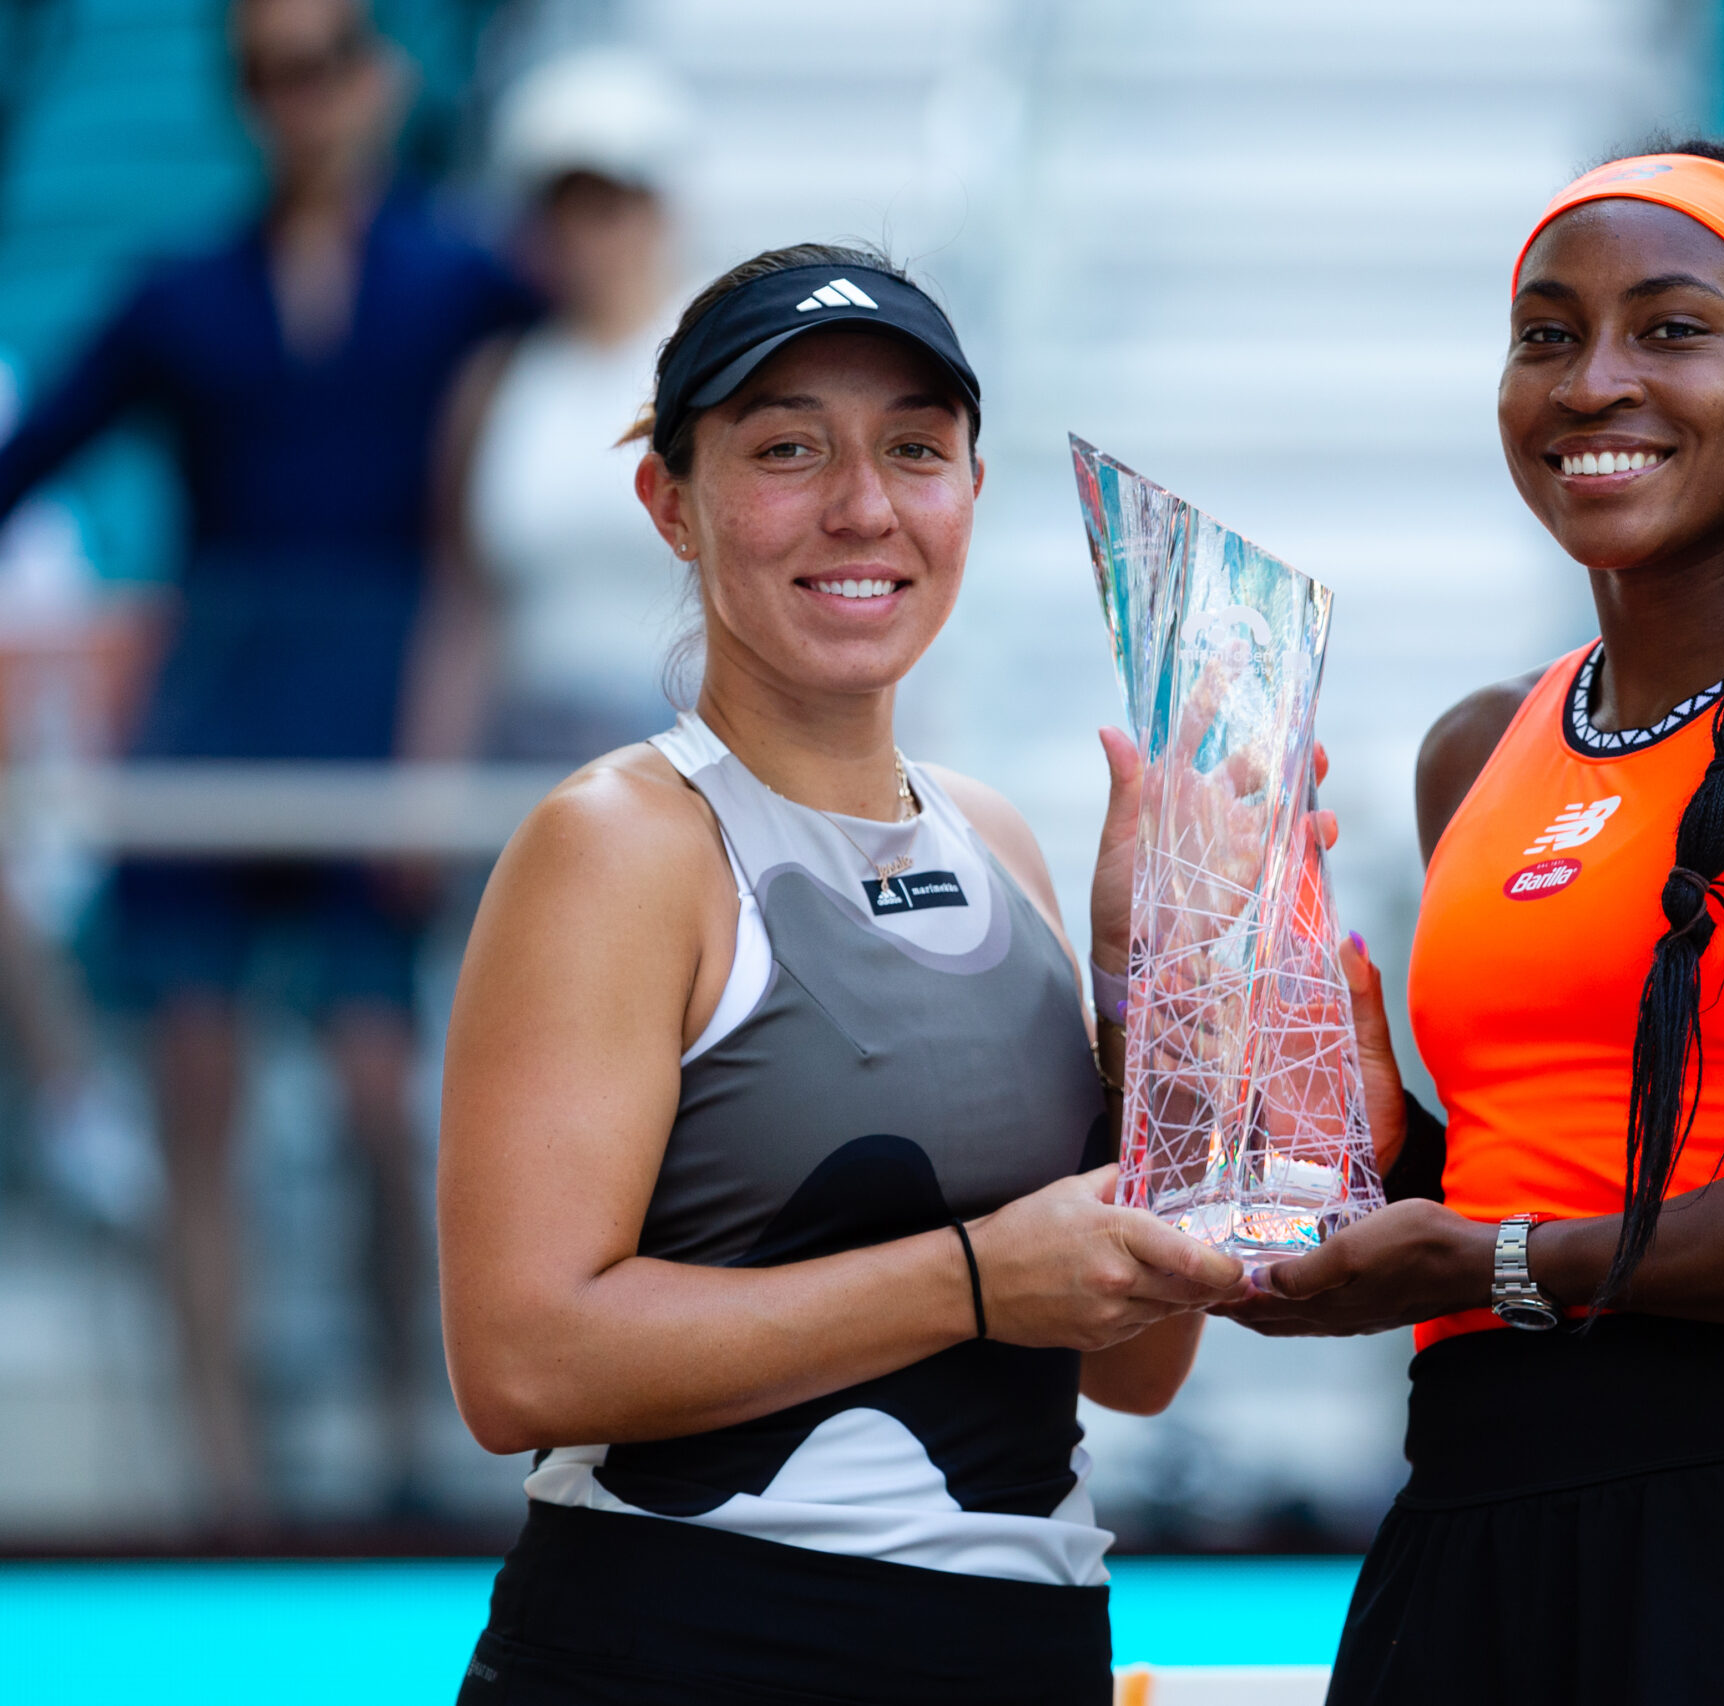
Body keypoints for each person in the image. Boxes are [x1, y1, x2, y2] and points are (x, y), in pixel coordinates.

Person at [1224, 143, 1724, 1705]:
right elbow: (1503, 1196)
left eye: (1670, 330)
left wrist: (1505, 1257)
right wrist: (1355, 1145)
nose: (1594, 381)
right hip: (1470, 1513)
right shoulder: (1479, 748)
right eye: (1548, 334)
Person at [439, 242, 1243, 1706]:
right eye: (788, 447)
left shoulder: (996, 835)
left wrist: (1155, 994)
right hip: (691, 1649)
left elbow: (1133, 1366)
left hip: (1024, 1653)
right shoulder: (618, 845)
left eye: (914, 449)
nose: (862, 505)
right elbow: (522, 1363)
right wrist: (975, 1281)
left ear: (972, 497)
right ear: (670, 503)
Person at [0, 0, 540, 1522]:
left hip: (379, 715)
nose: (300, 99)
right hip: (216, 710)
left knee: (380, 1087)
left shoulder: (458, 274)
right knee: (193, 1086)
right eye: (265, 74)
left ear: (379, 77)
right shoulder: (184, 292)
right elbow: (29, 456)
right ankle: (219, 1474)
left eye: (324, 62)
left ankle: (394, 1441)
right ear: (243, 98)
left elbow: (611, 359)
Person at [440, 48, 696, 764]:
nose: (586, 234)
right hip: (522, 742)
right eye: (564, 208)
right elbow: (466, 603)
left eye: (609, 205)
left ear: (657, 209)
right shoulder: (499, 381)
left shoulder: (717, 366)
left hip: (684, 743)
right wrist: (432, 778)